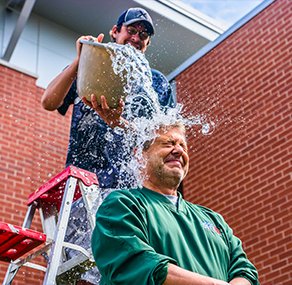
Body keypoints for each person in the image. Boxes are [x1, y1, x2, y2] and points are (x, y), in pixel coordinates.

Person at [91, 122, 259, 285]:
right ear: (140, 155)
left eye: (183, 146)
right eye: (168, 143)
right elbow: (134, 264)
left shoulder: (214, 219)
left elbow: (244, 271)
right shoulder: (123, 204)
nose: (179, 151)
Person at [41, 7, 177, 189]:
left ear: (148, 42)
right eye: (131, 31)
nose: (136, 38)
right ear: (115, 31)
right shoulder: (91, 66)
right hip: (85, 183)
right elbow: (49, 102)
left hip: (136, 187)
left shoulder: (157, 82)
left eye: (143, 35)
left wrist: (118, 122)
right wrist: (81, 59)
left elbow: (165, 137)